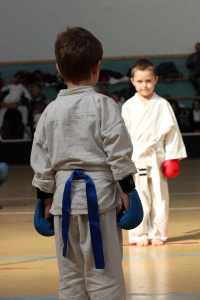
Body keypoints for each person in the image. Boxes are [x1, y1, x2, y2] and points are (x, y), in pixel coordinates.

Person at [30, 27, 137, 300]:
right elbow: (118, 152)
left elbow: (40, 160)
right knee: (105, 274)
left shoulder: (49, 111)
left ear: (58, 68)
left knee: (71, 276)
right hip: (99, 199)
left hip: (62, 201)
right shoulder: (104, 105)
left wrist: (44, 198)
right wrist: (128, 190)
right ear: (97, 66)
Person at [122, 59, 187, 247]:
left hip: (157, 157)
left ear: (156, 80)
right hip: (136, 157)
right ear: (133, 81)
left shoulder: (162, 104)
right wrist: (125, 161)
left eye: (148, 81)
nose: (144, 85)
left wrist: (172, 157)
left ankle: (158, 233)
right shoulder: (128, 106)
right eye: (140, 81)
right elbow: (123, 136)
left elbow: (172, 133)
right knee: (139, 196)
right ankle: (139, 234)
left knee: (160, 196)